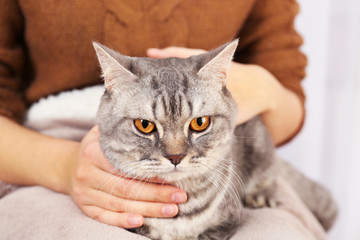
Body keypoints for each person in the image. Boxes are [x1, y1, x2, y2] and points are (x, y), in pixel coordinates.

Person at [0, 0, 305, 231]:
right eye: (147, 124)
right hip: (41, 153)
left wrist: (265, 89)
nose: (175, 154)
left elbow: (287, 102)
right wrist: (63, 168)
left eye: (196, 123)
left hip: (220, 151)